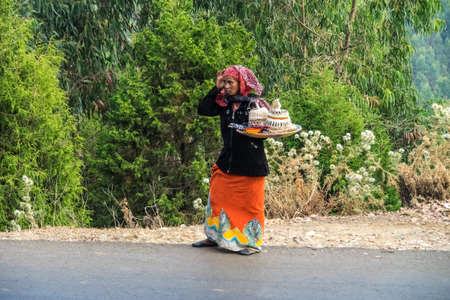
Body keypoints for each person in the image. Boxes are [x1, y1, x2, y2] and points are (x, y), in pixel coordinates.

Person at [192, 65, 270, 255]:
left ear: (241, 83)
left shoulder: (256, 104)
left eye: (230, 82)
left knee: (250, 205)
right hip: (227, 161)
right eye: (224, 82)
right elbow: (203, 109)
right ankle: (214, 237)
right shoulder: (223, 102)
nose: (226, 86)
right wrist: (216, 87)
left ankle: (249, 244)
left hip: (251, 163)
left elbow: (266, 130)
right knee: (217, 198)